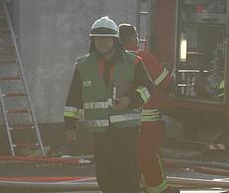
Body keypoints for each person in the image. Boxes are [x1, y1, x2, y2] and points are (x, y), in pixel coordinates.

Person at [63, 16, 156, 193]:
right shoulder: (83, 66)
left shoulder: (133, 62)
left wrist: (130, 100)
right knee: (105, 177)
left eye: (106, 38)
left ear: (115, 40)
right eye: (98, 38)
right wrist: (70, 127)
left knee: (127, 175)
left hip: (126, 131)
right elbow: (73, 99)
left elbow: (148, 87)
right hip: (100, 133)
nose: (102, 42)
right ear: (93, 41)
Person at [119, 23, 176, 193]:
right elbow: (166, 84)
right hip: (147, 125)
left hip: (120, 125)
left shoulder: (113, 60)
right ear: (133, 38)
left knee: (126, 164)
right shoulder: (143, 58)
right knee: (150, 162)